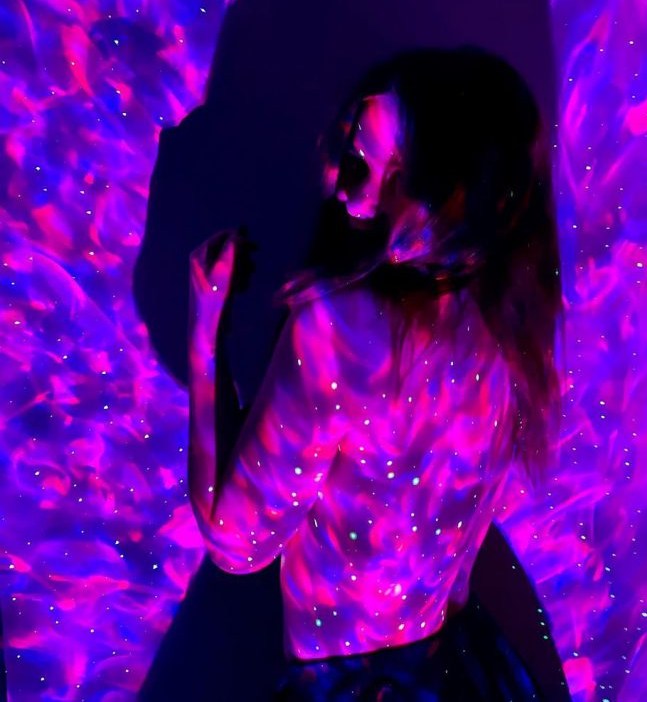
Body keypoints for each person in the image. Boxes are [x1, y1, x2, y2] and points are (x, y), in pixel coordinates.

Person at [186, 47, 564, 700]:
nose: (350, 194)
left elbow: (236, 542)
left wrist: (203, 333)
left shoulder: (339, 328)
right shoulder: (516, 321)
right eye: (358, 155)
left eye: (396, 175)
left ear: (451, 193)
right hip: (456, 671)